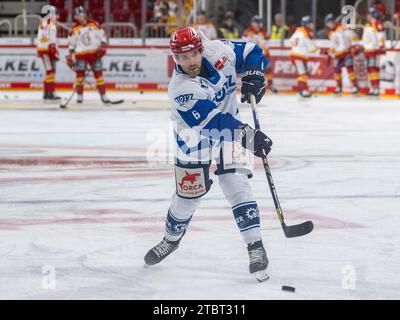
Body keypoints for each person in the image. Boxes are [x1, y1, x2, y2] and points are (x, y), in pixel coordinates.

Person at [144, 26, 273, 281]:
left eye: (192, 54)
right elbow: (213, 125)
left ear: (201, 48)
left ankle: (255, 247)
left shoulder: (219, 50)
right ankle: (171, 240)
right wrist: (250, 137)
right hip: (194, 138)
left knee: (236, 184)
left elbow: (251, 51)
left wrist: (254, 76)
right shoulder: (181, 89)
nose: (188, 62)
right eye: (181, 57)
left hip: (232, 126)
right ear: (174, 58)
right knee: (189, 195)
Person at [66, 6, 110, 104]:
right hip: (81, 55)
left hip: (94, 54)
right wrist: (70, 55)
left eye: (82, 14)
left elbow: (102, 36)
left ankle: (103, 95)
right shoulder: (74, 29)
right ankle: (80, 96)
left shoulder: (94, 24)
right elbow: (71, 44)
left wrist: (102, 47)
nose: (81, 16)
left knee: (99, 76)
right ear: (75, 17)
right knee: (80, 77)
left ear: (85, 14)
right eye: (78, 15)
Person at [324, 13, 360, 95]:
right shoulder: (331, 33)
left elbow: (353, 36)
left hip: (346, 53)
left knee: (350, 69)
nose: (330, 24)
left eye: (331, 22)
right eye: (328, 23)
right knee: (337, 71)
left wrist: (355, 46)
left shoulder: (344, 28)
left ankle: (355, 86)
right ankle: (339, 87)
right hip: (337, 55)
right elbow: (333, 46)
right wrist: (330, 55)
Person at [242, 15, 278, 93]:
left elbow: (268, 43)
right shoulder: (248, 32)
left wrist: (264, 49)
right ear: (252, 23)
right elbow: (244, 44)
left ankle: (270, 85)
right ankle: (252, 87)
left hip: (262, 55)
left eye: (259, 22)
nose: (257, 24)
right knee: (254, 72)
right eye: (256, 22)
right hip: (252, 56)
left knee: (268, 68)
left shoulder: (263, 32)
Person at [289, 15, 319, 97]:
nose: (312, 25)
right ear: (307, 24)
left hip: (296, 55)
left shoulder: (298, 31)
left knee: (302, 74)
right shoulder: (306, 33)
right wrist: (320, 51)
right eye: (311, 23)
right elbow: (311, 48)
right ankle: (304, 90)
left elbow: (291, 41)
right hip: (299, 56)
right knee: (303, 74)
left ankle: (300, 91)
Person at [37, 5, 60, 101]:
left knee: (49, 72)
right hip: (47, 51)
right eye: (57, 15)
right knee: (50, 72)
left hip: (46, 50)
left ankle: (47, 93)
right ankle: (50, 93)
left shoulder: (45, 23)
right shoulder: (49, 24)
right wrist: (53, 50)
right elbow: (50, 39)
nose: (58, 17)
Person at [362, 7, 386, 96]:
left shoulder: (378, 24)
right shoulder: (367, 25)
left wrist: (381, 44)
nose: (367, 16)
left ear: (372, 15)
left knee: (374, 69)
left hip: (374, 50)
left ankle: (376, 88)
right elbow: (365, 38)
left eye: (369, 14)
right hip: (367, 50)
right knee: (369, 69)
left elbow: (381, 35)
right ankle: (372, 88)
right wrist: (361, 45)